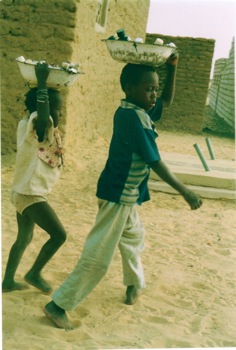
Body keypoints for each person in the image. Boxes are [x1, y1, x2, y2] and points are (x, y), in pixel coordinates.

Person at [44, 54, 202, 330]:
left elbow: (166, 102)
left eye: (155, 87)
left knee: (132, 239)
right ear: (129, 88)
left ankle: (133, 284)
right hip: (117, 194)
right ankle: (58, 305)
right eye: (148, 88)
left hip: (127, 196)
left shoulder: (137, 110)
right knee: (98, 255)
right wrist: (185, 191)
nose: (154, 93)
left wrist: (172, 69)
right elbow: (154, 161)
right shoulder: (131, 117)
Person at [2, 62, 67, 294]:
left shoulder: (38, 130)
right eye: (55, 109)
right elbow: (43, 116)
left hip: (22, 192)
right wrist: (42, 83)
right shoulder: (35, 126)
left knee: (24, 238)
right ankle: (34, 273)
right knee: (59, 235)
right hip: (30, 194)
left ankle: (7, 281)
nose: (58, 114)